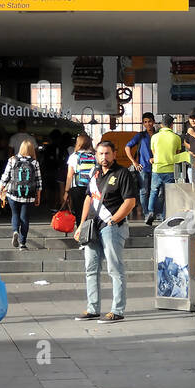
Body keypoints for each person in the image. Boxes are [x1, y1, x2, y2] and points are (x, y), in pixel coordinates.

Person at [76, 140, 138, 323]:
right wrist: (81, 224)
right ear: (96, 154)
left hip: (112, 227)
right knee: (91, 268)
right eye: (101, 153)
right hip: (92, 226)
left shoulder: (123, 173)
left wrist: (114, 220)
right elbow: (89, 198)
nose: (104, 157)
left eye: (107, 153)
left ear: (114, 154)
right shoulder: (94, 173)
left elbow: (130, 202)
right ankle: (92, 308)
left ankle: (117, 310)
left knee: (115, 269)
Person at [0, 138, 43, 249]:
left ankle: (15, 231)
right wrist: (38, 196)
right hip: (28, 196)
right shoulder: (34, 162)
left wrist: (1, 187)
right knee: (24, 218)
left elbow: (6, 175)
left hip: (13, 194)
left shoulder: (12, 160)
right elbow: (38, 181)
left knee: (15, 214)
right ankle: (22, 243)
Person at [147, 114, 186, 225]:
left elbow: (154, 152)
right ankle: (165, 216)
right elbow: (177, 154)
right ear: (172, 125)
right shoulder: (176, 138)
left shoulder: (154, 137)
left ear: (161, 124)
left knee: (154, 192)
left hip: (157, 169)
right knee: (168, 195)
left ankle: (150, 212)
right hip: (170, 169)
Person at [127, 113, 157, 218]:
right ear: (143, 123)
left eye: (149, 121)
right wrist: (134, 162)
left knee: (155, 191)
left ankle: (154, 212)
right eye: (145, 122)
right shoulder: (140, 136)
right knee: (144, 191)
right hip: (143, 168)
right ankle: (146, 213)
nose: (147, 124)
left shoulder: (158, 135)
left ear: (153, 122)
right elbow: (127, 147)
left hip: (157, 167)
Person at [64, 132, 96, 215]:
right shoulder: (95, 156)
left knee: (79, 212)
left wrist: (66, 191)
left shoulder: (74, 156)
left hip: (77, 188)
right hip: (93, 187)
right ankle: (90, 227)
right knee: (91, 211)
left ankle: (80, 226)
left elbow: (69, 175)